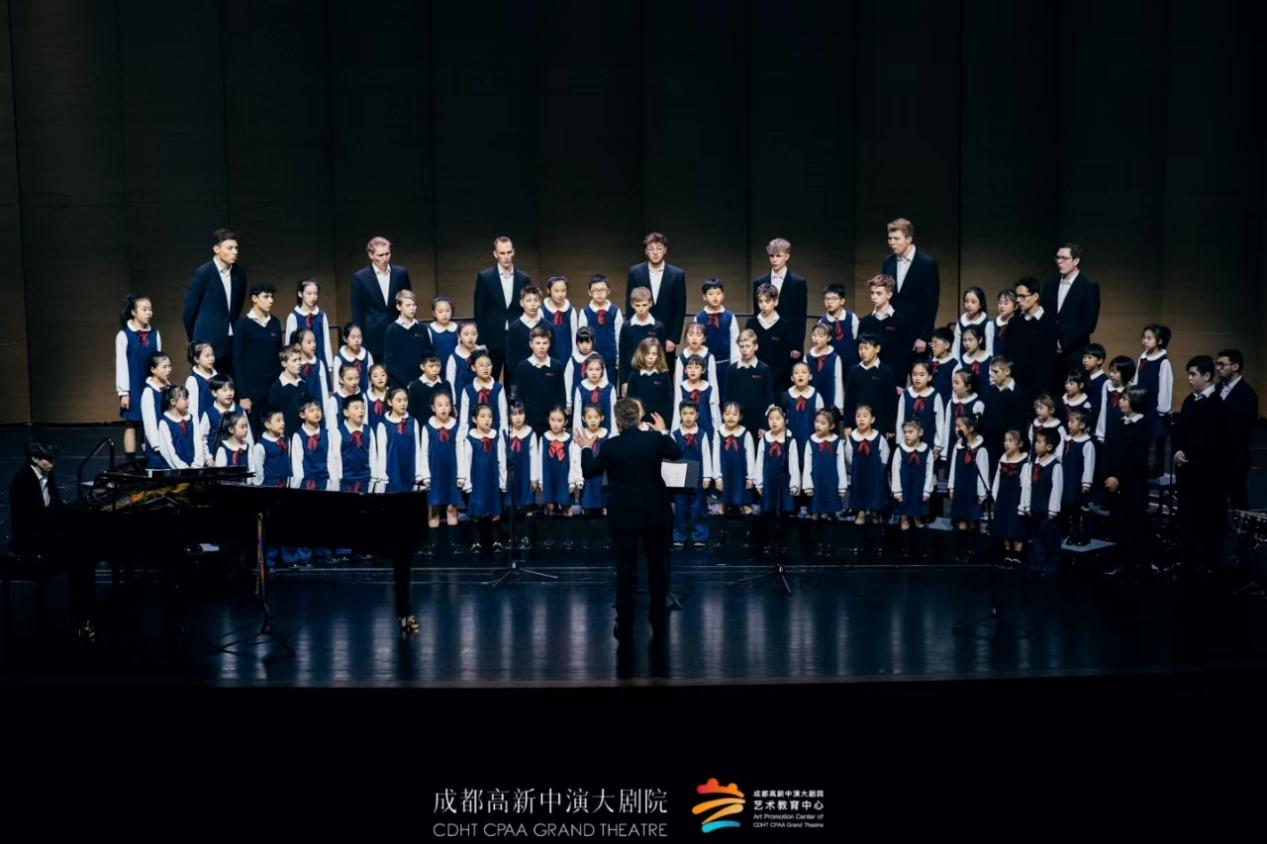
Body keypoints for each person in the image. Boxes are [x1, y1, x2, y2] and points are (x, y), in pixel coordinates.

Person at [576, 398, 683, 641]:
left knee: (625, 570)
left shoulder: (611, 446)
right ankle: (657, 618)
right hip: (655, 513)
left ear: (617, 420)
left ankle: (625, 624)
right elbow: (676, 453)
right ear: (638, 417)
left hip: (624, 515)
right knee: (657, 568)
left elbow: (589, 471)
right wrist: (663, 431)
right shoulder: (654, 439)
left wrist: (586, 447)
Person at [1172, 356, 1228, 576]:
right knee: (1188, 519)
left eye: (1193, 374)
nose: (1189, 379)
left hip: (1207, 475)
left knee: (1208, 519)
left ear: (1206, 376)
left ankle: (1209, 564)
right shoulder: (1190, 400)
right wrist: (1178, 451)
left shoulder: (1217, 404)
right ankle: (1189, 561)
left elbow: (1216, 441)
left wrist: (1193, 455)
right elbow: (1180, 431)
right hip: (1187, 473)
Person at [182, 228, 246, 376]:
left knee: (232, 383)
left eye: (236, 248)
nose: (235, 252)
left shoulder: (240, 273)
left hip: (232, 340)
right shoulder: (203, 273)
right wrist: (196, 340)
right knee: (208, 383)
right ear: (216, 249)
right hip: (208, 341)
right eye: (229, 248)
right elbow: (188, 312)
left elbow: (237, 306)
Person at [1042, 243, 1100, 392]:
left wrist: (1063, 344)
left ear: (1076, 261)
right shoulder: (1050, 284)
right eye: (1057, 258)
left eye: (1064, 258)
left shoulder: (1088, 286)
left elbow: (1089, 323)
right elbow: (1045, 316)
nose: (1059, 261)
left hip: (1074, 353)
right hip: (1050, 353)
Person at [473, 236, 530, 382]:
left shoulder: (523, 278)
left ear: (513, 252)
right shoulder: (485, 277)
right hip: (492, 339)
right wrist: (481, 341)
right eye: (502, 253)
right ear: (495, 254)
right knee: (489, 380)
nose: (506, 257)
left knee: (514, 382)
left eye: (509, 252)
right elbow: (479, 311)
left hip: (516, 337)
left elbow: (527, 309)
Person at [232, 281, 284, 438]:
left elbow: (280, 357)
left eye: (272, 297)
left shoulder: (275, 322)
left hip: (273, 388)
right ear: (254, 298)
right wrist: (243, 395)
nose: (271, 300)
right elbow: (238, 362)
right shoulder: (242, 325)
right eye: (266, 297)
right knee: (254, 433)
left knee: (276, 431)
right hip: (253, 391)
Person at [882, 218, 939, 354]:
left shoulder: (927, 264)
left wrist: (923, 336)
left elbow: (931, 303)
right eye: (890, 238)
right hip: (892, 333)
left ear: (908, 239)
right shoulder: (888, 262)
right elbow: (885, 297)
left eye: (896, 238)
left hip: (916, 336)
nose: (892, 242)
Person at [351, 235, 412, 363]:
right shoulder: (360, 278)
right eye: (380, 255)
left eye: (387, 254)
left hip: (399, 331)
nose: (385, 258)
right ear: (371, 255)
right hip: (372, 336)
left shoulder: (401, 274)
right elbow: (357, 311)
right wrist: (359, 339)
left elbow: (409, 302)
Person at [627, 232, 686, 361]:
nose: (655, 252)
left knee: (665, 371)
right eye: (651, 249)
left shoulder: (677, 274)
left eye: (659, 249)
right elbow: (630, 306)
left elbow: (680, 309)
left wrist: (673, 338)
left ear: (665, 250)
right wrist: (632, 334)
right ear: (646, 251)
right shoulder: (635, 272)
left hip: (667, 337)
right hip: (640, 333)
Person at [116, 294, 161, 460]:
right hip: (133, 385)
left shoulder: (155, 334)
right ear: (134, 312)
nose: (149, 313)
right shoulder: (124, 335)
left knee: (150, 421)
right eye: (144, 309)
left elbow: (159, 361)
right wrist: (124, 392)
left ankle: (150, 459)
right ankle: (130, 463)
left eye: (150, 309)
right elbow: (121, 365)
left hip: (150, 384)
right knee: (132, 422)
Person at [753, 404, 799, 557]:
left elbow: (793, 463)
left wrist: (794, 483)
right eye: (771, 418)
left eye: (778, 418)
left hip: (784, 480)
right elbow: (759, 461)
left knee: (783, 512)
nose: (774, 421)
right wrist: (759, 481)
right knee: (769, 512)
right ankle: (770, 542)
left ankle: (783, 542)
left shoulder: (790, 439)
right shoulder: (765, 439)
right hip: (769, 480)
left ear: (784, 420)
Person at [845, 405, 890, 556]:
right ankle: (859, 544)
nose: (861, 419)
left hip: (875, 479)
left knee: (876, 511)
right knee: (860, 512)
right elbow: (849, 458)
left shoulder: (879, 438)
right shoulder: (851, 439)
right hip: (859, 479)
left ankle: (878, 544)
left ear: (872, 419)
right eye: (858, 416)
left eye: (865, 416)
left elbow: (884, 458)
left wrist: (876, 471)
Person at [1216, 349, 1259, 510]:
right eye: (1217, 364)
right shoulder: (1216, 388)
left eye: (1222, 364)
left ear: (1235, 366)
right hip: (1214, 456)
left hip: (1235, 459)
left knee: (1238, 502)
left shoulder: (1247, 394)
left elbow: (1241, 431)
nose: (1217, 368)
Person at [752, 238, 808, 360]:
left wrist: (797, 345)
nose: (774, 259)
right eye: (771, 256)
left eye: (778, 256)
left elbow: (800, 317)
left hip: (789, 342)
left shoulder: (798, 283)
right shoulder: (759, 282)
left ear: (787, 256)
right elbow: (757, 314)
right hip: (764, 340)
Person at [462, 405, 507, 555]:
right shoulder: (470, 439)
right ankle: (476, 542)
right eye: (482, 416)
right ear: (474, 419)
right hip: (477, 479)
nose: (487, 419)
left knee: (495, 510)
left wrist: (503, 481)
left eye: (490, 416)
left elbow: (501, 460)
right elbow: (466, 461)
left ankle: (496, 541)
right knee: (476, 511)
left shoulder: (496, 437)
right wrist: (467, 483)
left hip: (492, 479)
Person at [420, 391, 462, 551]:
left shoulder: (456, 427)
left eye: (447, 405)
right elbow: (423, 453)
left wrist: (461, 475)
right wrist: (425, 475)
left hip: (452, 472)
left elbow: (461, 452)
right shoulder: (428, 428)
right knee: (434, 507)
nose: (443, 408)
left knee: (452, 507)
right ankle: (432, 543)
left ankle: (453, 543)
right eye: (439, 405)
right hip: (435, 473)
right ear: (433, 408)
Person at [802, 408, 847, 557]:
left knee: (830, 513)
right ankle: (816, 543)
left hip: (831, 482)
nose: (818, 425)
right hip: (816, 481)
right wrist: (807, 485)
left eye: (823, 423)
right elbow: (807, 465)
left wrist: (842, 485)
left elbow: (840, 465)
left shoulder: (837, 442)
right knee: (815, 513)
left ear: (832, 426)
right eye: (817, 422)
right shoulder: (811, 441)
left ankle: (829, 543)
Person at [671, 400, 713, 551]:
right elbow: (671, 456)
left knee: (698, 508)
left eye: (691, 413)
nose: (688, 417)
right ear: (680, 415)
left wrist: (707, 477)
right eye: (685, 413)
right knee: (680, 508)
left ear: (697, 415)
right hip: (680, 476)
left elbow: (706, 456)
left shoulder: (702, 434)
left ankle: (699, 536)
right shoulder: (675, 435)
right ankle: (678, 537)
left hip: (698, 476)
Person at [1021, 428, 1064, 576]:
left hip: (1048, 511)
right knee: (1036, 538)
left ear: (1049, 446)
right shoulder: (1033, 464)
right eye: (1036, 441)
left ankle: (1051, 565)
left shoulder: (1055, 465)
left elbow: (1056, 489)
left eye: (1039, 442)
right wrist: (1027, 505)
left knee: (1050, 538)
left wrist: (1053, 510)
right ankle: (1037, 564)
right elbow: (1028, 486)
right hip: (1035, 508)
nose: (1035, 444)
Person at [1133, 323, 1174, 476]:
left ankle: (1159, 468)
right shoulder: (1143, 358)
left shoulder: (1163, 361)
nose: (1144, 340)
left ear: (1160, 341)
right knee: (1142, 438)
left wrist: (1162, 409)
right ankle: (1142, 466)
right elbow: (1136, 380)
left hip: (1155, 408)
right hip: (1142, 405)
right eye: (1144, 337)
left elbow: (1165, 386)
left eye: (1149, 338)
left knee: (1158, 439)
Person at [891, 419, 936, 560]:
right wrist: (897, 490)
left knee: (918, 518)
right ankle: (906, 548)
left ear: (920, 433)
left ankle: (921, 548)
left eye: (910, 432)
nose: (907, 435)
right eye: (905, 432)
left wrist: (927, 490)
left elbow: (929, 471)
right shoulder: (900, 450)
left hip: (919, 488)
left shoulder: (926, 451)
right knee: (904, 518)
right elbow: (895, 471)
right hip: (905, 488)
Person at [947, 412, 989, 562]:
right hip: (960, 487)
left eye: (959, 426)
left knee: (972, 519)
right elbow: (953, 467)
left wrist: (982, 494)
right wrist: (951, 486)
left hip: (973, 490)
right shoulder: (958, 446)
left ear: (970, 429)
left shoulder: (980, 449)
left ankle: (972, 549)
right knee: (961, 519)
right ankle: (961, 551)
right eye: (955, 426)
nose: (956, 429)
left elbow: (983, 472)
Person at [858, 275, 913, 389]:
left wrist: (900, 383)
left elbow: (905, 354)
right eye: (872, 293)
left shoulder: (901, 321)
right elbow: (859, 351)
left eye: (878, 293)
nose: (874, 297)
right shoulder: (865, 322)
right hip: (868, 379)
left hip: (893, 381)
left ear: (889, 295)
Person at [1009, 277, 1057, 405]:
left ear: (1035, 296)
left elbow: (1050, 362)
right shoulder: (1014, 322)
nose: (1018, 300)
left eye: (1022, 296)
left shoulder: (1049, 323)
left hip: (1041, 390)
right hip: (1017, 387)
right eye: (1017, 296)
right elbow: (1009, 354)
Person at [512, 327, 567, 436]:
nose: (541, 347)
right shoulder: (522, 367)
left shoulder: (556, 366)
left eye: (545, 343)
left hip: (551, 422)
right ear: (531, 344)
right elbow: (519, 396)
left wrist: (559, 418)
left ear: (549, 344)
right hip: (528, 421)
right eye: (538, 343)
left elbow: (561, 394)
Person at [284, 278, 335, 393]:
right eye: (309, 293)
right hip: (300, 363)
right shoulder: (294, 316)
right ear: (300, 294)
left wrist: (329, 365)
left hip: (319, 359)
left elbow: (326, 341)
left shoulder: (321, 315)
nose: (313, 297)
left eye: (315, 294)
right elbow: (289, 345)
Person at [843, 333, 897, 438]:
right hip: (857, 423)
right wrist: (847, 424)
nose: (862, 352)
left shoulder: (886, 372)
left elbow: (891, 402)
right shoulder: (854, 371)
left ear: (877, 349)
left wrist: (890, 427)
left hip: (880, 424)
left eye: (866, 348)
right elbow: (848, 400)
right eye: (860, 348)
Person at [695, 279, 739, 403]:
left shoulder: (729, 316)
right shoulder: (699, 317)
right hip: (705, 364)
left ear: (723, 295)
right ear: (704, 297)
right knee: (706, 397)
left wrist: (734, 365)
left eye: (718, 293)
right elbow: (695, 342)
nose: (715, 297)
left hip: (725, 364)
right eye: (711, 294)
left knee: (725, 396)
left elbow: (735, 341)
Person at [746, 283, 795, 393]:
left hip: (778, 382)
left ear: (775, 302)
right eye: (760, 301)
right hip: (755, 379)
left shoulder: (785, 325)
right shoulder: (751, 323)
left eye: (767, 301)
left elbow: (786, 358)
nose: (763, 305)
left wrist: (773, 377)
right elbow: (747, 352)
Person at [991, 430, 1029, 567]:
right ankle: (1008, 552)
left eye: (1010, 441)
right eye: (1005, 440)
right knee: (1005, 524)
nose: (1006, 443)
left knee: (1017, 526)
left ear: (1020, 444)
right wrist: (995, 497)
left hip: (1016, 498)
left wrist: (1024, 503)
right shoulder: (1003, 459)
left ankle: (1017, 554)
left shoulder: (1024, 462)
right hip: (1003, 497)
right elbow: (996, 480)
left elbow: (1025, 484)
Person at [727, 329, 775, 435]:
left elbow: (769, 398)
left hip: (757, 423)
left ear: (755, 346)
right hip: (736, 422)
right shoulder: (732, 369)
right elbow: (728, 397)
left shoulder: (763, 369)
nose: (744, 350)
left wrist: (764, 425)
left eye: (748, 346)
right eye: (742, 346)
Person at [383, 289, 433, 390]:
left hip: (422, 382)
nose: (412, 308)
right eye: (408, 305)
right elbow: (389, 361)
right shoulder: (392, 330)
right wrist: (406, 382)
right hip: (399, 384)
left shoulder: (422, 328)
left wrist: (423, 379)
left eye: (414, 305)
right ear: (399, 307)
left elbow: (428, 355)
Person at [576, 274, 623, 382]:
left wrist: (618, 358)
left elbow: (619, 336)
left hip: (610, 359)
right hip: (591, 361)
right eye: (595, 290)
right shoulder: (585, 312)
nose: (599, 293)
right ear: (589, 292)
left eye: (602, 290)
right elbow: (581, 337)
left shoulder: (615, 311)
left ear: (608, 291)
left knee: (609, 388)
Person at [328, 394, 377, 494]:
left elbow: (373, 455)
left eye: (363, 408)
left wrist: (374, 477)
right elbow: (335, 457)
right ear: (346, 412)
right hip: (345, 479)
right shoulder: (338, 432)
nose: (361, 411)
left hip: (366, 478)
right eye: (356, 408)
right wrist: (337, 479)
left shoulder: (369, 430)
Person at [619, 287, 667, 387]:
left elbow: (661, 355)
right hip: (632, 376)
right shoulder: (626, 327)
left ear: (650, 303)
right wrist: (624, 381)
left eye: (644, 305)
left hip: (653, 375)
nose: (641, 309)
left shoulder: (658, 327)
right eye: (637, 305)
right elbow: (622, 355)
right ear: (632, 304)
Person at [1062, 407, 1096, 546]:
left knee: (1080, 508)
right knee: (1070, 509)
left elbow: (1089, 465)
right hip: (1067, 479)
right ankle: (1073, 534)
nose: (1069, 424)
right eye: (1069, 421)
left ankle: (1083, 535)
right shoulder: (1067, 440)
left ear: (1081, 425)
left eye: (1072, 421)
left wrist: (1086, 483)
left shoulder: (1087, 443)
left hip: (1078, 480)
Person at [504, 285, 546, 390]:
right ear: (521, 303)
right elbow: (510, 357)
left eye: (536, 300)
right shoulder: (514, 327)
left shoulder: (547, 327)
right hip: (520, 380)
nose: (532, 304)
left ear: (540, 302)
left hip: (544, 378)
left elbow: (553, 354)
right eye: (528, 300)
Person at [459, 349, 507, 438]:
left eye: (488, 365)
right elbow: (464, 420)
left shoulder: (498, 389)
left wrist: (502, 438)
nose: (485, 368)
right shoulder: (468, 390)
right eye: (481, 365)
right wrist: (464, 438)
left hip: (495, 437)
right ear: (473, 367)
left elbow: (503, 418)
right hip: (473, 438)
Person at [625, 338, 673, 426]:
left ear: (659, 356)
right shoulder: (634, 375)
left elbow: (668, 403)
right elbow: (630, 401)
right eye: (647, 353)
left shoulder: (663, 375)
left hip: (659, 424)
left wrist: (666, 424)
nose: (650, 357)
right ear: (641, 354)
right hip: (638, 423)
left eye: (654, 354)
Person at [156, 385, 206, 470]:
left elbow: (198, 442)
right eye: (185, 399)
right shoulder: (164, 423)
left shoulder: (192, 419)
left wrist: (197, 465)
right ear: (173, 401)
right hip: (173, 472)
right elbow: (168, 452)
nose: (188, 402)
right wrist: (183, 468)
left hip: (194, 469)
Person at [672, 354, 721, 437]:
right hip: (687, 431)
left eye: (696, 367)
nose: (693, 370)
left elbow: (715, 414)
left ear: (703, 370)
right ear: (685, 370)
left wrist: (717, 435)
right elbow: (677, 413)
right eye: (689, 367)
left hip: (707, 430)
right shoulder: (682, 389)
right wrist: (674, 435)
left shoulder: (708, 389)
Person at [139, 352, 173, 470]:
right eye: (164, 367)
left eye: (169, 366)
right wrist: (156, 445)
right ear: (153, 369)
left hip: (170, 439)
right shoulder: (149, 392)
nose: (168, 370)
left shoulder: (169, 388)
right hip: (158, 444)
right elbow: (149, 422)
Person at [806, 323, 845, 414]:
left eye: (820, 336)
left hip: (829, 396)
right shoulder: (807, 358)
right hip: (812, 397)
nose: (816, 339)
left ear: (829, 338)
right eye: (814, 335)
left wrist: (838, 405)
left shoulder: (835, 357)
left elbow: (838, 381)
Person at [783, 361, 824, 448]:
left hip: (811, 437)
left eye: (804, 372)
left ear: (810, 376)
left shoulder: (816, 396)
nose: (800, 375)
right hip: (791, 438)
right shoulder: (786, 396)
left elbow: (821, 419)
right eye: (796, 373)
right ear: (792, 378)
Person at [541, 276, 578, 365]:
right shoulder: (542, 311)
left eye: (563, 290)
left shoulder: (570, 311)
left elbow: (575, 334)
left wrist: (574, 356)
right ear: (548, 290)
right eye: (556, 291)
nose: (560, 294)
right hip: (547, 353)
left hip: (567, 352)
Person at [185, 341, 219, 436]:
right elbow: (192, 411)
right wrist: (197, 435)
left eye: (212, 355)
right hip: (204, 430)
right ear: (196, 359)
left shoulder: (218, 377)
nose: (212, 358)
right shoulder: (193, 380)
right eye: (207, 356)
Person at [407, 353, 451, 424]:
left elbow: (450, 408)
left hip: (442, 426)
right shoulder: (415, 386)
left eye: (438, 366)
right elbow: (412, 413)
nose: (435, 369)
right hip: (421, 426)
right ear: (422, 366)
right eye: (431, 366)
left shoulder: (445, 384)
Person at [951, 286, 993, 360]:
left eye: (973, 302)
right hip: (963, 363)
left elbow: (989, 349)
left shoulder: (987, 324)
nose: (969, 305)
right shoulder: (960, 323)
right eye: (966, 301)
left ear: (980, 304)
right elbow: (956, 347)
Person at [427, 296, 460, 375]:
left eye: (447, 311)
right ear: (434, 313)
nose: (444, 314)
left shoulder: (457, 328)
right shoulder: (430, 330)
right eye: (440, 312)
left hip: (455, 366)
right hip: (436, 367)